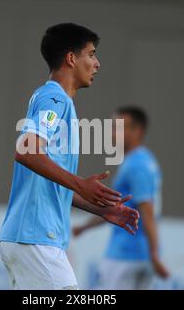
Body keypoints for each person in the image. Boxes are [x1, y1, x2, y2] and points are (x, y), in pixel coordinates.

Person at [0, 23, 140, 290]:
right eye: (91, 54)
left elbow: (48, 182)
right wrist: (80, 184)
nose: (97, 63)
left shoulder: (53, 99)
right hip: (36, 239)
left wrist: (99, 207)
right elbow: (25, 151)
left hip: (32, 239)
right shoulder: (55, 100)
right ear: (71, 58)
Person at [73, 106, 170, 290]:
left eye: (119, 127)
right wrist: (85, 227)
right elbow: (116, 209)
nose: (112, 133)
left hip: (125, 254)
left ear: (137, 131)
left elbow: (146, 209)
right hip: (142, 255)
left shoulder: (136, 165)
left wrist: (154, 253)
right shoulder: (146, 160)